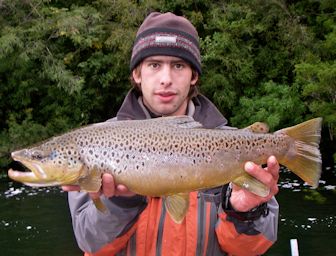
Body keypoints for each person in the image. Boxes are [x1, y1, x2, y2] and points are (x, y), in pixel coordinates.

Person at [63, 12, 280, 256]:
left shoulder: (234, 144)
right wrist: (121, 201)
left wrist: (244, 212)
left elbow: (251, 249)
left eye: (178, 66)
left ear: (193, 76)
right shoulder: (96, 143)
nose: (166, 79)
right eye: (154, 65)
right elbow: (90, 242)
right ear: (137, 74)